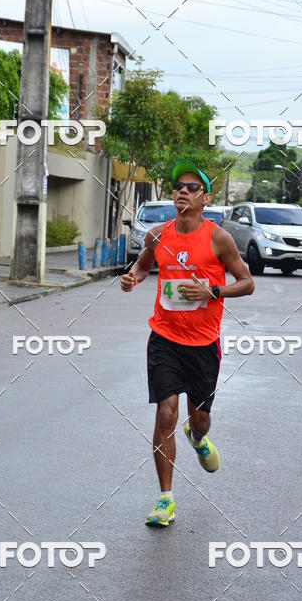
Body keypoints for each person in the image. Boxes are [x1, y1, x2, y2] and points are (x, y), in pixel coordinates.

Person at [120, 159, 254, 528]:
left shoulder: (218, 239)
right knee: (165, 414)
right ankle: (165, 499)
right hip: (164, 338)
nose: (182, 190)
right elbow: (144, 266)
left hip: (204, 344)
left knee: (200, 419)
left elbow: (247, 282)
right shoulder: (158, 235)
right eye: (178, 185)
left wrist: (213, 289)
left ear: (205, 198)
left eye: (192, 187)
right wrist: (132, 277)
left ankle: (197, 437)